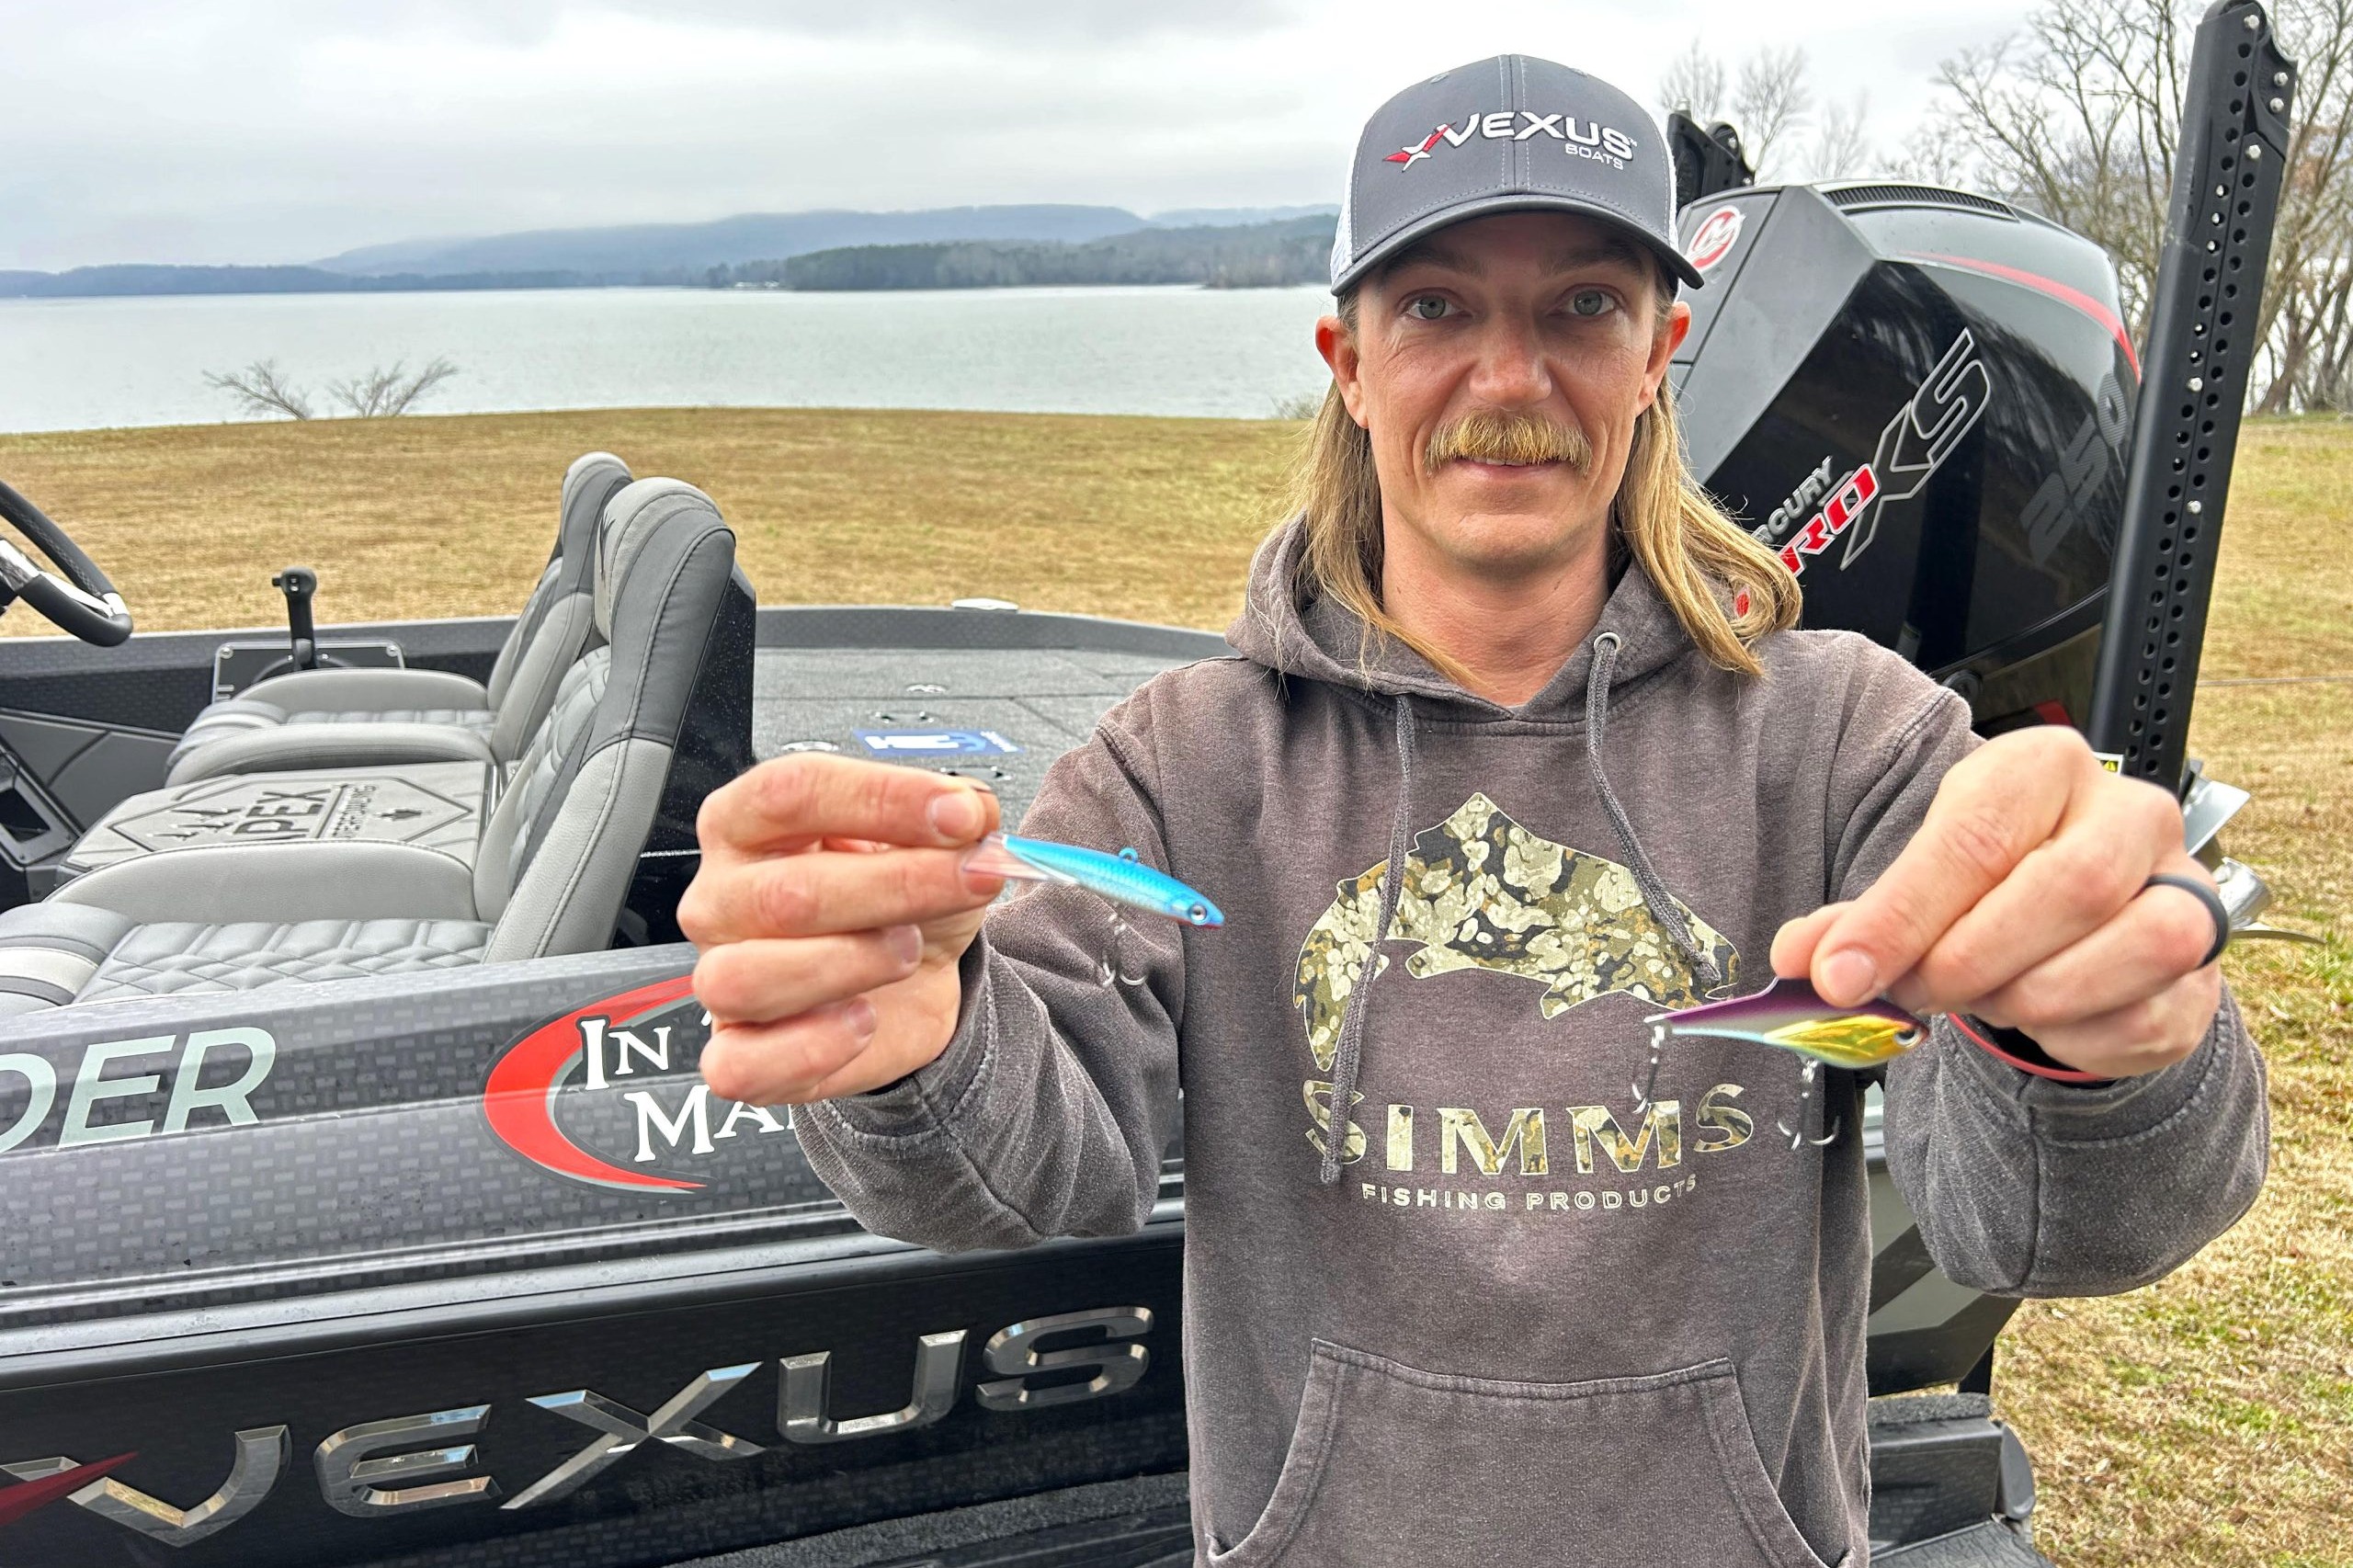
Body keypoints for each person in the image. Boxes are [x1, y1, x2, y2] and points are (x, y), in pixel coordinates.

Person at [680, 54, 2268, 1568]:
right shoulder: (1183, 766)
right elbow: (1025, 1170)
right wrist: (920, 1041)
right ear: (1349, 361)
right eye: (1437, 305)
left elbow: (2051, 1225)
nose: (1509, 380)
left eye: (1583, 305)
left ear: (1659, 351)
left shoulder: (1845, 738)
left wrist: (2081, 1034)